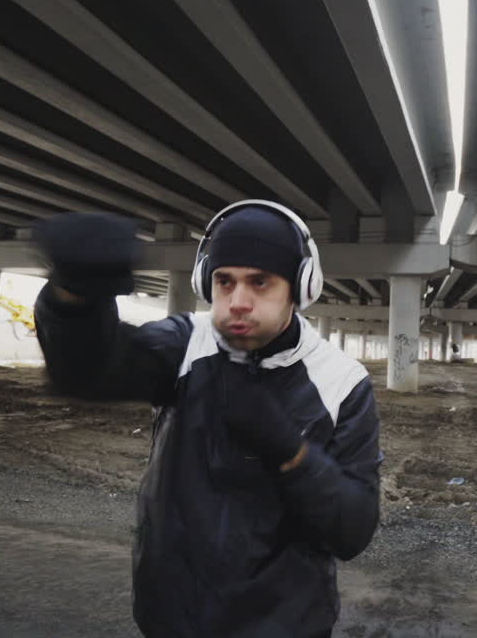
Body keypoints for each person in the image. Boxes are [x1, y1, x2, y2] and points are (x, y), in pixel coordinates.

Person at [33, 200, 382, 637]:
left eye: (260, 282)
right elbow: (90, 373)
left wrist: (292, 454)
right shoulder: (188, 343)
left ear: (299, 286)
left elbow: (352, 531)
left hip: (284, 627)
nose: (237, 302)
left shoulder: (342, 382)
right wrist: (74, 297)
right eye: (224, 281)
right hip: (171, 619)